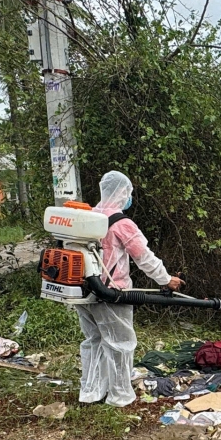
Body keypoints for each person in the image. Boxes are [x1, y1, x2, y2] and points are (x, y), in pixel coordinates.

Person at [76, 171, 183, 407]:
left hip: (82, 290)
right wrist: (166, 279)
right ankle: (119, 395)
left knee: (93, 341)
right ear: (122, 192)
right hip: (111, 292)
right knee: (120, 344)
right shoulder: (121, 223)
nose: (128, 197)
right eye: (128, 193)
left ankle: (91, 392)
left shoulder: (84, 217)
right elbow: (144, 257)